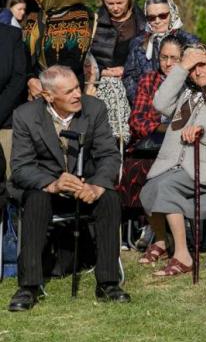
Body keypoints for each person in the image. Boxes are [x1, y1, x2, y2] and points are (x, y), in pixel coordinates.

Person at [8, 66, 129, 311]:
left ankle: (108, 282)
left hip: (86, 185)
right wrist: (51, 184)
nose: (78, 94)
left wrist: (96, 186)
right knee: (36, 200)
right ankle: (29, 286)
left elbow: (109, 156)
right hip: (45, 188)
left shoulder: (94, 109)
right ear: (48, 96)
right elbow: (21, 167)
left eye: (77, 87)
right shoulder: (25, 115)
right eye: (70, 91)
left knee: (110, 198)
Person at [138, 43, 206, 276]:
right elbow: (159, 103)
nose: (198, 72)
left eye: (202, 65)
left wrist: (205, 131)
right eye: (192, 68)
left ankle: (183, 255)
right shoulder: (185, 93)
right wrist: (181, 68)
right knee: (148, 190)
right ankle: (161, 241)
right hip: (172, 164)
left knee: (166, 188)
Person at [118, 34, 185, 211]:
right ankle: (146, 220)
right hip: (150, 145)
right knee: (134, 168)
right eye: (164, 57)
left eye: (174, 58)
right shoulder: (149, 80)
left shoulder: (189, 84)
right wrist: (160, 128)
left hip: (180, 147)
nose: (168, 63)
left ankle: (166, 221)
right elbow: (136, 120)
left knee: (169, 173)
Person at [21, 0, 95, 99]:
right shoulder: (34, 16)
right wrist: (30, 79)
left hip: (64, 94)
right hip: (34, 92)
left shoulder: (78, 15)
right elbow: (23, 54)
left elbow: (74, 59)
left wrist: (45, 84)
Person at [88, 0, 147, 142]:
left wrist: (126, 69)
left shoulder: (142, 22)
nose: (115, 8)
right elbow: (88, 57)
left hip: (134, 87)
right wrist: (101, 71)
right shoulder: (95, 21)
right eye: (110, 3)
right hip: (103, 87)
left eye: (119, 3)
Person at [123, 0, 198, 105]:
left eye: (162, 16)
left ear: (172, 13)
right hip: (147, 107)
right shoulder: (138, 43)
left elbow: (197, 75)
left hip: (181, 106)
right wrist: (142, 102)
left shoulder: (189, 41)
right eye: (151, 17)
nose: (157, 21)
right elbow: (129, 77)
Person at [0, 23, 27, 213]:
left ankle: (9, 236)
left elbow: (18, 78)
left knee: (9, 185)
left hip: (5, 120)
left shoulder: (12, 35)